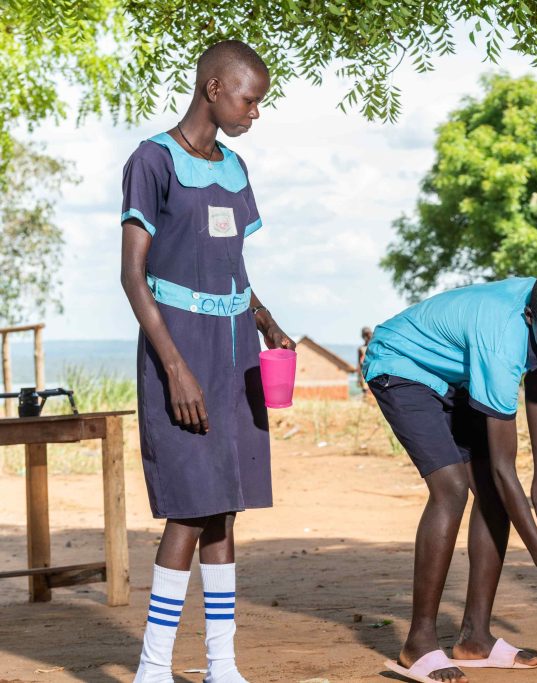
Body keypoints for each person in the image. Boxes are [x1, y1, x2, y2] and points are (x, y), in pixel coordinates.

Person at [119, 40, 293, 683]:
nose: (254, 112)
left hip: (235, 355)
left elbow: (233, 268)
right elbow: (132, 277)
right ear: (214, 89)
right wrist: (175, 367)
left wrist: (267, 322)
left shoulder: (235, 168)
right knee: (189, 505)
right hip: (179, 353)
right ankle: (152, 668)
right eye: (250, 99)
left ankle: (223, 664)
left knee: (225, 506)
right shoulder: (152, 161)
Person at [363, 267, 537, 683]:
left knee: (492, 494)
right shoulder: (502, 338)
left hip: (457, 378)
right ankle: (418, 644)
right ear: (529, 319)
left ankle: (475, 639)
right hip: (402, 364)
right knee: (451, 489)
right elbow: (505, 467)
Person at [357, 326, 373, 393]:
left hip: (373, 372)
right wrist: (359, 377)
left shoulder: (374, 347)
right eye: (365, 335)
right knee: (366, 391)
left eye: (368, 335)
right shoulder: (361, 348)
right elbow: (359, 363)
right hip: (364, 373)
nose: (367, 337)